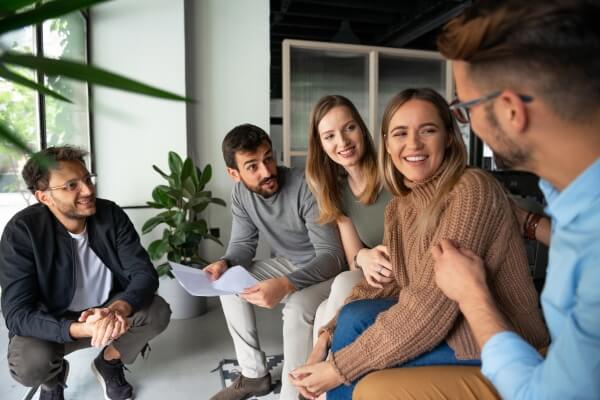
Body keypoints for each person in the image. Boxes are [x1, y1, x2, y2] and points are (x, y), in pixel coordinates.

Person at [289, 88, 549, 399]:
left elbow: (431, 304)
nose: (413, 144)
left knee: (358, 372)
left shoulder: (470, 189)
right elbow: (386, 282)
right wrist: (325, 337)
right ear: (387, 142)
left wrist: (337, 369)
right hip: (451, 325)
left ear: (449, 137)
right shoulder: (401, 208)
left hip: (498, 334)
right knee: (352, 316)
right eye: (400, 133)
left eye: (428, 130)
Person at [432, 1, 600, 399]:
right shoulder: (570, 197)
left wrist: (473, 297)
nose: (467, 124)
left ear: (510, 111)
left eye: (464, 109)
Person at [0, 146, 171, 400]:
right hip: (55, 322)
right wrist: (82, 329)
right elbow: (17, 314)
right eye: (71, 185)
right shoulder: (22, 231)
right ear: (44, 197)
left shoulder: (110, 214)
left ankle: (109, 363)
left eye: (87, 179)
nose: (88, 190)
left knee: (157, 311)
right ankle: (52, 380)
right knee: (29, 363)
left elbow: (144, 273)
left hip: (108, 311)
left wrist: (117, 309)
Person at [203, 124, 345, 400]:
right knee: (228, 282)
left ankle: (293, 394)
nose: (267, 171)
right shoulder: (241, 194)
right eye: (252, 166)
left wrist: (286, 284)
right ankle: (254, 375)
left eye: (268, 158)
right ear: (234, 174)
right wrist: (225, 262)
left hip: (328, 269)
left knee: (295, 309)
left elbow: (332, 256)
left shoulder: (305, 185)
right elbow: (244, 244)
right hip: (293, 264)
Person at [305, 95, 392, 345]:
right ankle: (308, 383)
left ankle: (322, 374)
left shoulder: (391, 171)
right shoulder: (338, 190)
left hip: (405, 274)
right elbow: (355, 260)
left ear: (361, 130)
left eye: (349, 128)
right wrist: (363, 256)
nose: (342, 142)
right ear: (320, 144)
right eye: (329, 136)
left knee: (341, 286)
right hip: (375, 275)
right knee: (322, 312)